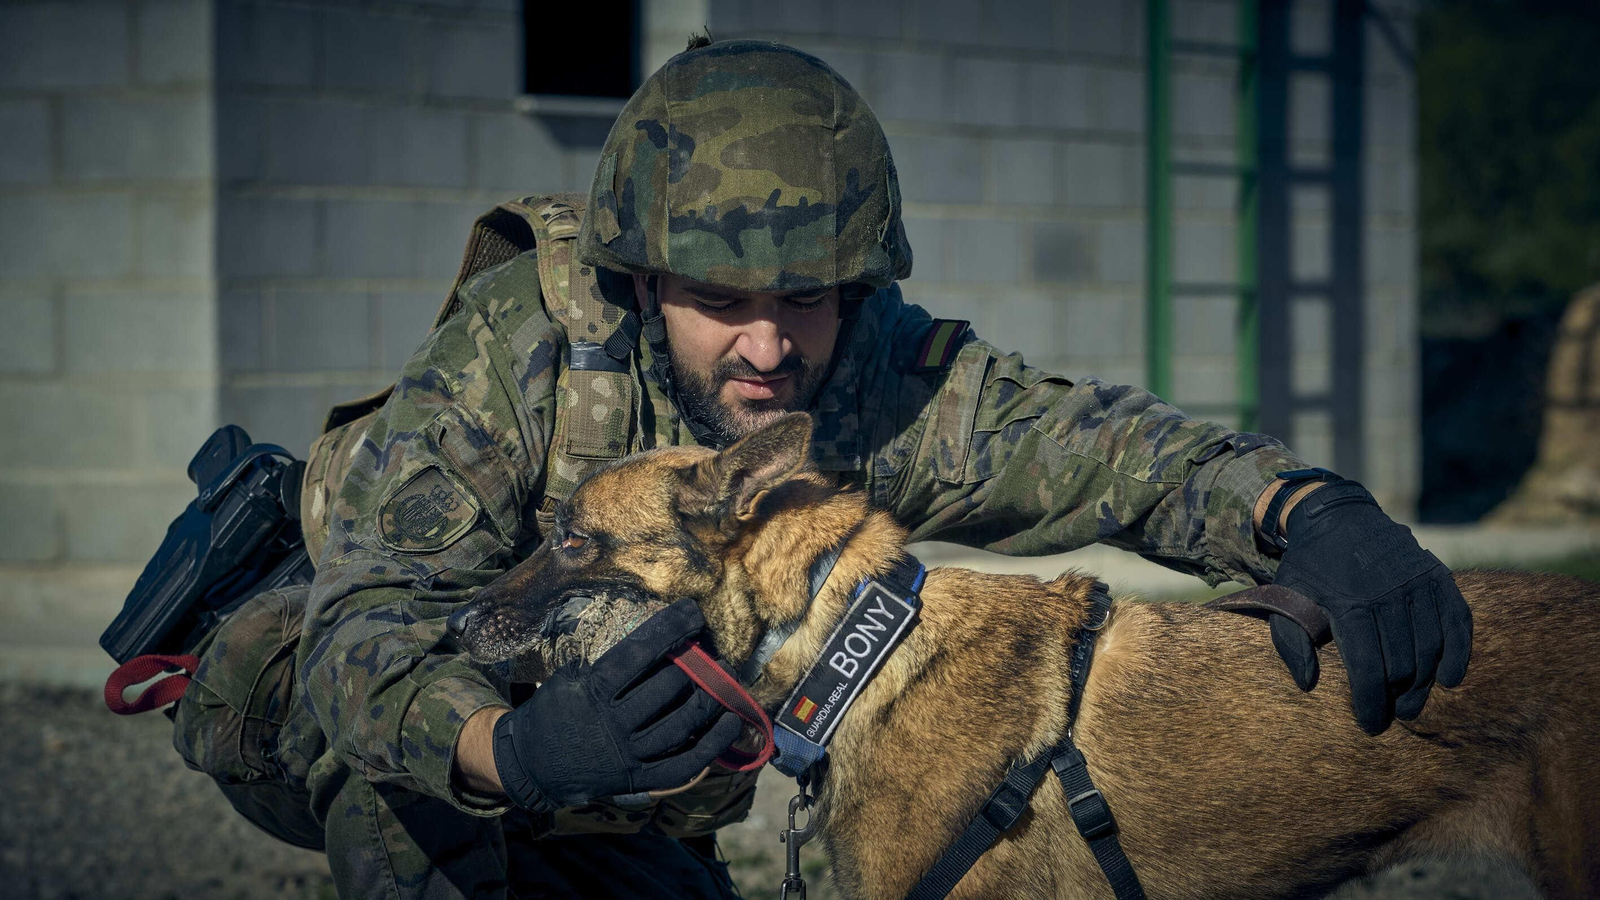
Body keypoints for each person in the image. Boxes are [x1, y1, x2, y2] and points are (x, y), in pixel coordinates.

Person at [294, 37, 1470, 899]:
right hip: (441, 743)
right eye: (718, 301)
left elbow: (1104, 448)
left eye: (804, 299)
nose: (767, 349)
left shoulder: (870, 369)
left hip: (635, 797)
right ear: (645, 279)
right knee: (389, 789)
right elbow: (361, 627)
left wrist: (1303, 505)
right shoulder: (522, 348)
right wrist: (510, 753)